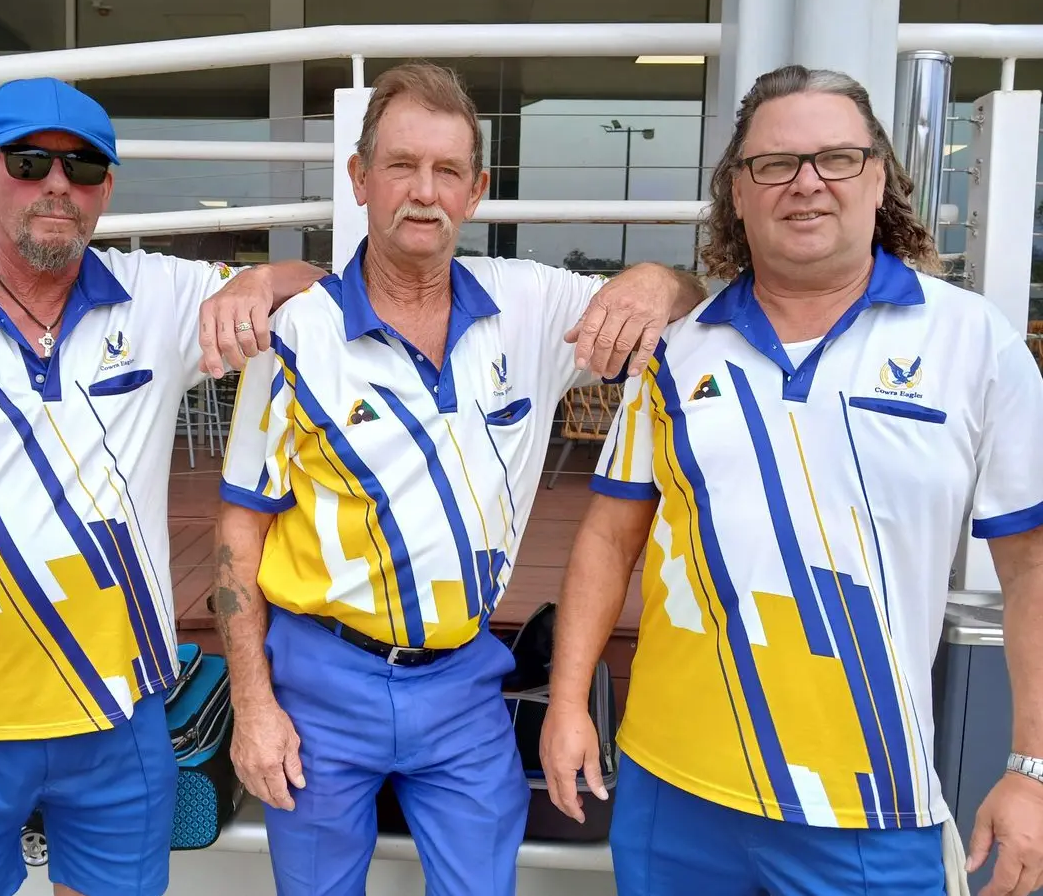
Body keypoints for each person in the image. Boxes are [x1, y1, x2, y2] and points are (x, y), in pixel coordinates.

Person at [0, 76, 330, 896]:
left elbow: (317, 283)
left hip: (118, 721)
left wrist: (257, 282)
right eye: (31, 160)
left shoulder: (158, 294)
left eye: (85, 167)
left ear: (106, 189)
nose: (59, 183)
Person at [539, 63, 1043, 896]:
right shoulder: (677, 351)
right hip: (673, 789)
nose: (805, 184)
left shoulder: (974, 345)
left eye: (836, 158)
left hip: (871, 806)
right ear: (736, 194)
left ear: (879, 177)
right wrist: (566, 704)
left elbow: (1029, 567)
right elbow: (608, 532)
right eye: (773, 165)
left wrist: (1030, 765)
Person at [211, 61, 705, 895]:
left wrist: (658, 279)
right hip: (318, 683)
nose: (424, 191)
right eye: (401, 165)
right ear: (361, 178)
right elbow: (237, 531)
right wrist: (253, 705)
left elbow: (691, 306)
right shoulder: (297, 335)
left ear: (476, 190)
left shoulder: (531, 305)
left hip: (464, 680)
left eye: (447, 171)